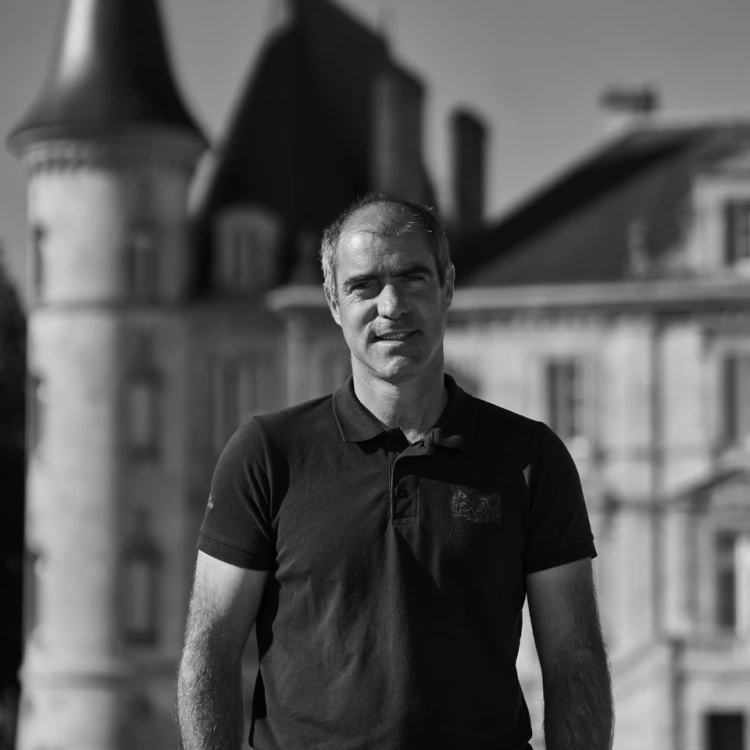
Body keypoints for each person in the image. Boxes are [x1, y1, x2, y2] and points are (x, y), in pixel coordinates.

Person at [177, 193, 614, 750]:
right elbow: (211, 647)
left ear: (447, 287)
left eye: (413, 278)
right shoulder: (268, 454)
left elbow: (573, 657)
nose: (392, 305)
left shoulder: (531, 458)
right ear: (334, 302)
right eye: (364, 285)